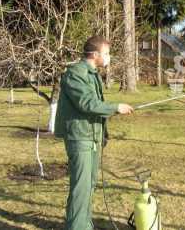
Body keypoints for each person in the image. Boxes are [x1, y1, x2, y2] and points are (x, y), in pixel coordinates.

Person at [55, 35, 134, 230]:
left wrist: (105, 128)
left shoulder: (92, 73)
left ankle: (84, 224)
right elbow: (86, 103)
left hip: (93, 138)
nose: (109, 57)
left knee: (89, 185)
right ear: (95, 54)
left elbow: (95, 106)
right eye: (106, 53)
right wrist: (116, 107)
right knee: (80, 188)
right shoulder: (75, 73)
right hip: (80, 138)